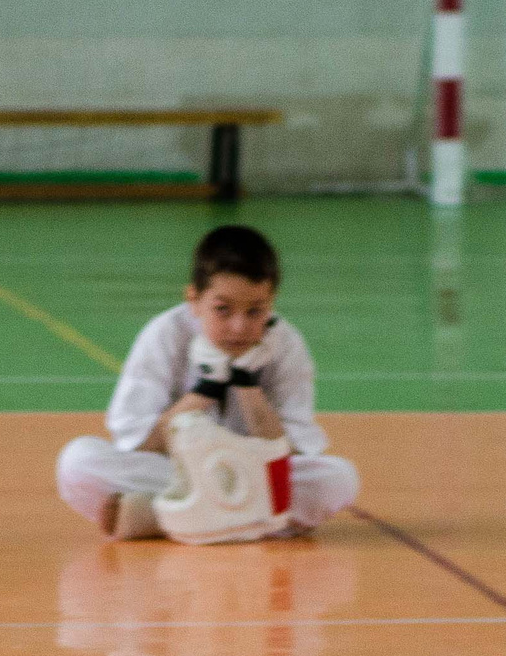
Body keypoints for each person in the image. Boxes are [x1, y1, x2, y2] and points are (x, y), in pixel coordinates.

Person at [56, 225, 359, 541]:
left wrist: (246, 384)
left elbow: (289, 452)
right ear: (194, 299)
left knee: (338, 479)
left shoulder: (286, 345)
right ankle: (241, 523)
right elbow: (139, 443)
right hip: (178, 472)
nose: (239, 327)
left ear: (271, 302)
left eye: (255, 311)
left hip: (250, 475)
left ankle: (162, 517)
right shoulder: (164, 334)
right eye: (222, 309)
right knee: (78, 463)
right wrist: (207, 388)